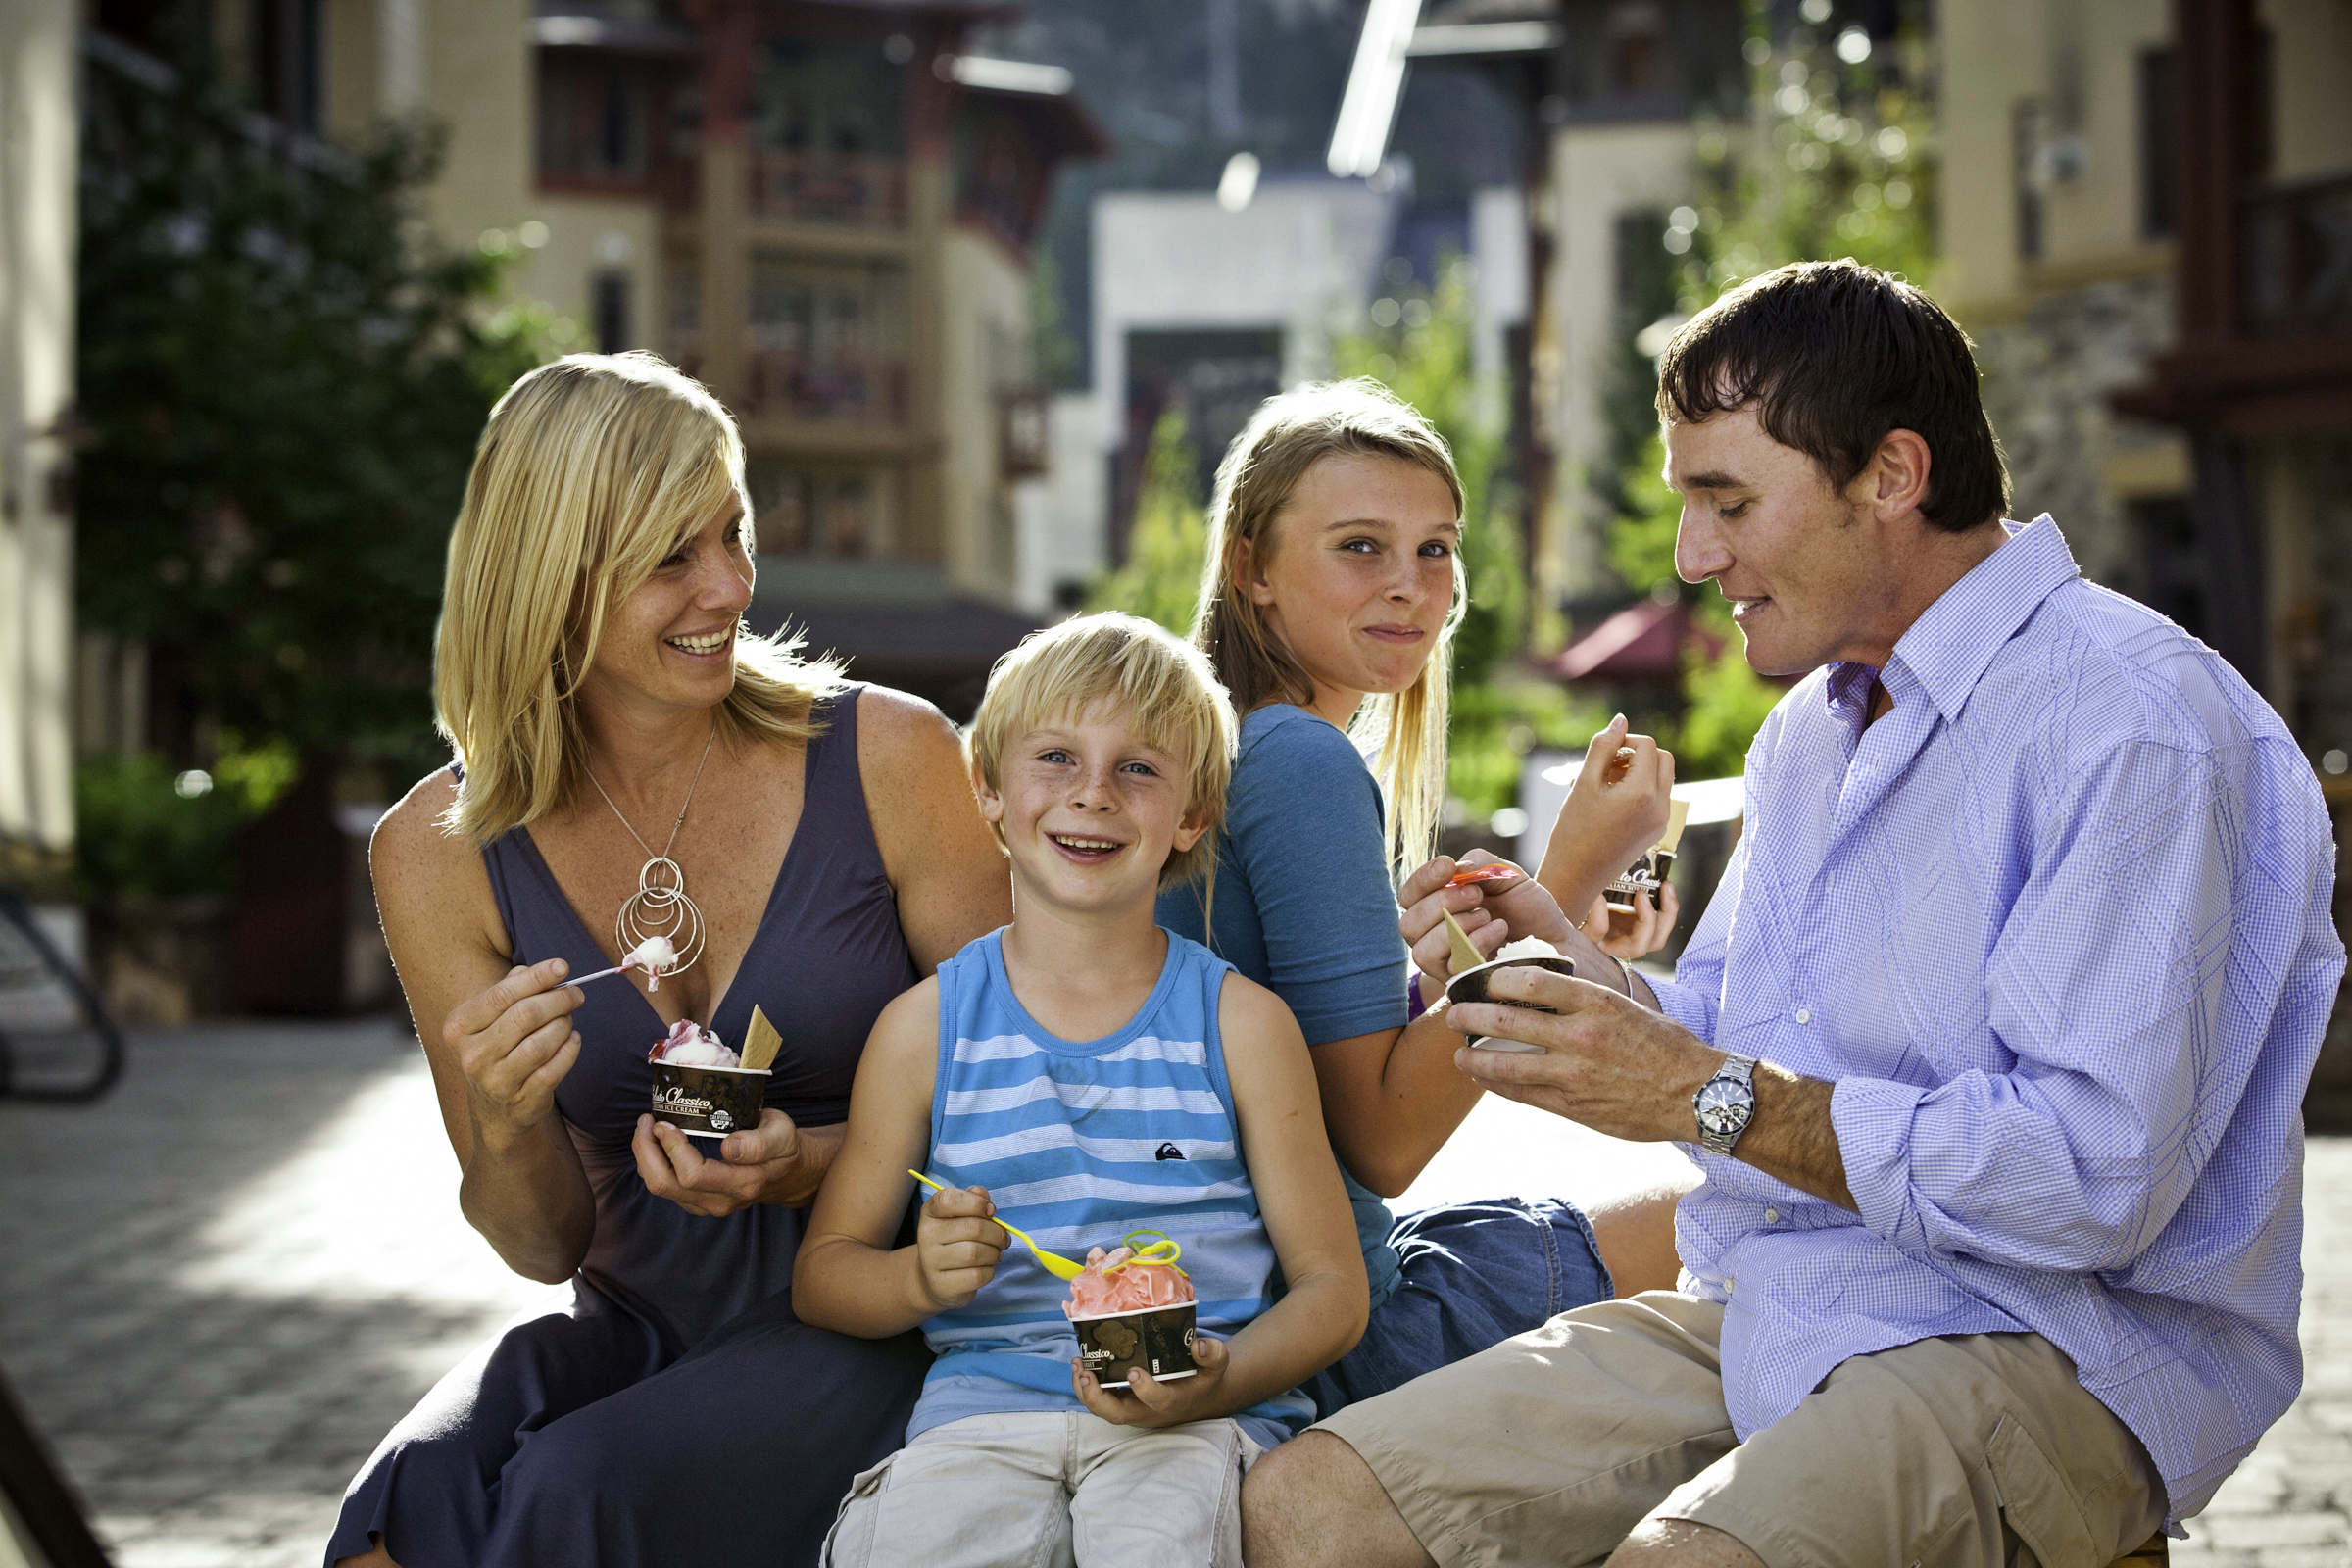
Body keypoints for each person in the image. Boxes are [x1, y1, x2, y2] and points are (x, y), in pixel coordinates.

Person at [1243, 258, 2348, 1568]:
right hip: (1784, 1294)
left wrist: (1704, 1089)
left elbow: (2089, 1178)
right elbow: (1732, 1032)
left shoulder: (2132, 723)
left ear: (1891, 476)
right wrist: (1589, 988)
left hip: (2055, 1344)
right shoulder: (1810, 732)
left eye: (1726, 501)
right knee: (1300, 1512)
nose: (1689, 557)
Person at [327, 353, 1012, 1568]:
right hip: (637, 1322)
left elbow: (1033, 1108)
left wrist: (806, 1165)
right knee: (405, 1505)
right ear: (548, 574)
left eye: (734, 535)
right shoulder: (435, 852)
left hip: (890, 1314)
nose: (731, 586)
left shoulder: (891, 758)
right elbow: (538, 1245)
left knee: (581, 1489)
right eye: (671, 557)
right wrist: (500, 1115)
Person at [1159, 379, 1687, 1416]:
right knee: (1742, 1220)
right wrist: (1566, 873)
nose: (1411, 584)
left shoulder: (1217, 749)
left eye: (1435, 549)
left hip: (1243, 1301)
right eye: (1360, 546)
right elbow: (1383, 1139)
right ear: (1250, 568)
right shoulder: (1298, 760)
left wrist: (1520, 945)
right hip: (1342, 1330)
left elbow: (1317, 1070)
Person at [794, 612, 1367, 1567]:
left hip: (1195, 1426)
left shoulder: (1244, 1026)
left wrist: (1218, 1381)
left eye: (1140, 767)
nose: (1094, 794)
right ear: (987, 788)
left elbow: (1332, 1289)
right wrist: (917, 1277)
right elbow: (825, 1272)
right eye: (1055, 757)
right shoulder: (924, 1029)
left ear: (1193, 813)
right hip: (981, 1424)